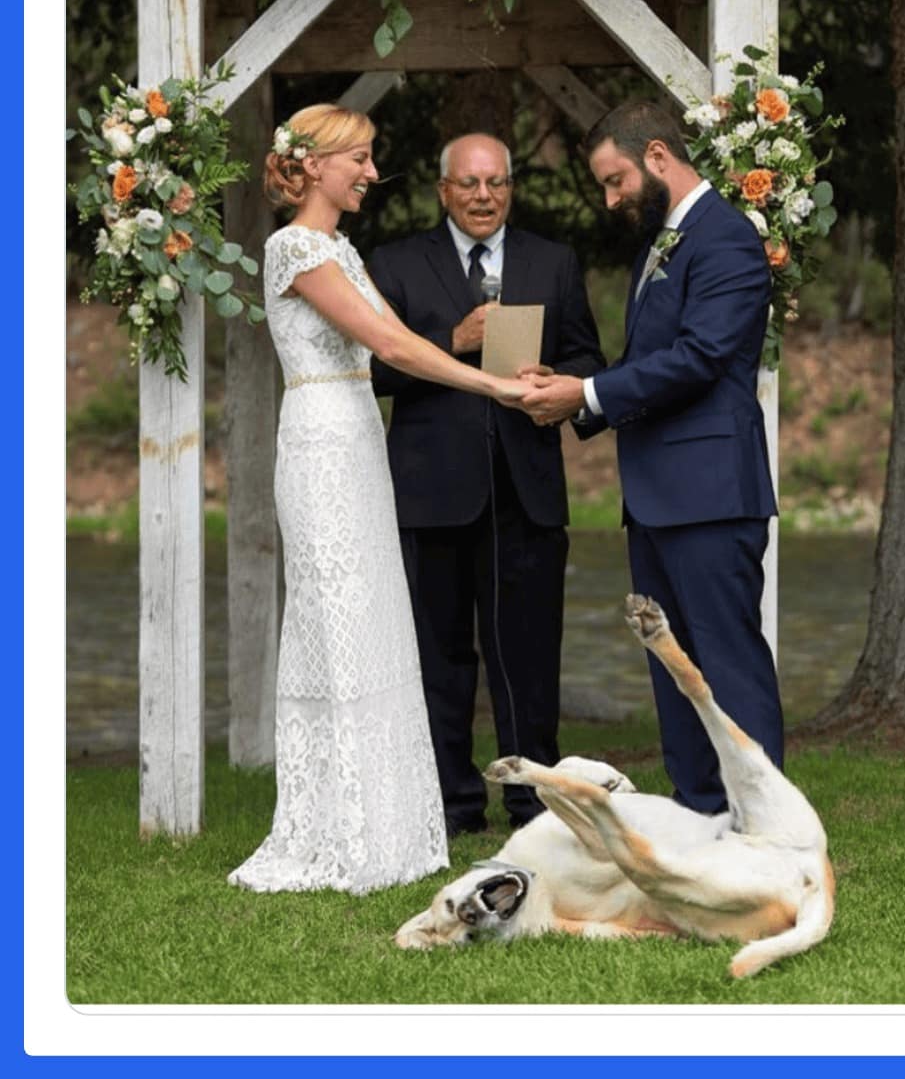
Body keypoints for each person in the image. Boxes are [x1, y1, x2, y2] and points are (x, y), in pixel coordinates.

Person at [227, 106, 526, 894]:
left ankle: (388, 822)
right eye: (358, 159)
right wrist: (495, 383)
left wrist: (487, 360)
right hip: (322, 439)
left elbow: (405, 337)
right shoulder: (293, 247)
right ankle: (337, 825)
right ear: (316, 165)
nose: (369, 172)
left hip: (361, 436)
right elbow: (392, 347)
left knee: (377, 615)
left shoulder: (341, 249)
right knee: (337, 615)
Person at [521, 99, 782, 816]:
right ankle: (701, 812)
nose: (610, 200)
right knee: (674, 666)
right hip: (659, 494)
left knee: (726, 661)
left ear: (659, 157)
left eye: (615, 181)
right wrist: (574, 393)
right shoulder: (663, 241)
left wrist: (589, 391)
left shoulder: (724, 238)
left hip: (711, 492)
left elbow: (699, 359)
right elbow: (650, 362)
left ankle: (763, 827)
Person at [367, 133, 604, 835]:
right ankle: (450, 805)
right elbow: (373, 375)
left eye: (496, 183)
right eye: (468, 184)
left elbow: (587, 356)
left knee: (528, 657)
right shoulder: (397, 264)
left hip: (526, 493)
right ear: (443, 190)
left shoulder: (552, 262)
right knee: (439, 660)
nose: (482, 196)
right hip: (431, 496)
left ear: (511, 189)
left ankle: (536, 804)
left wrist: (553, 380)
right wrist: (452, 344)